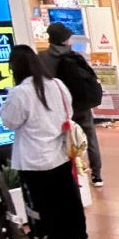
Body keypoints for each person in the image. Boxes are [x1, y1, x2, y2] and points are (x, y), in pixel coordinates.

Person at [0, 44, 89, 239]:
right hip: (60, 151)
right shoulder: (57, 84)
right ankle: (78, 236)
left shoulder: (20, 93)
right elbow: (68, 111)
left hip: (34, 157)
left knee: (45, 200)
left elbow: (10, 121)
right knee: (68, 195)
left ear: (15, 67)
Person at [38, 21, 104, 186]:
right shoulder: (75, 56)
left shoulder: (43, 58)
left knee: (62, 140)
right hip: (81, 105)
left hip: (58, 107)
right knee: (90, 138)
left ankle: (71, 174)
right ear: (65, 39)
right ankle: (97, 175)